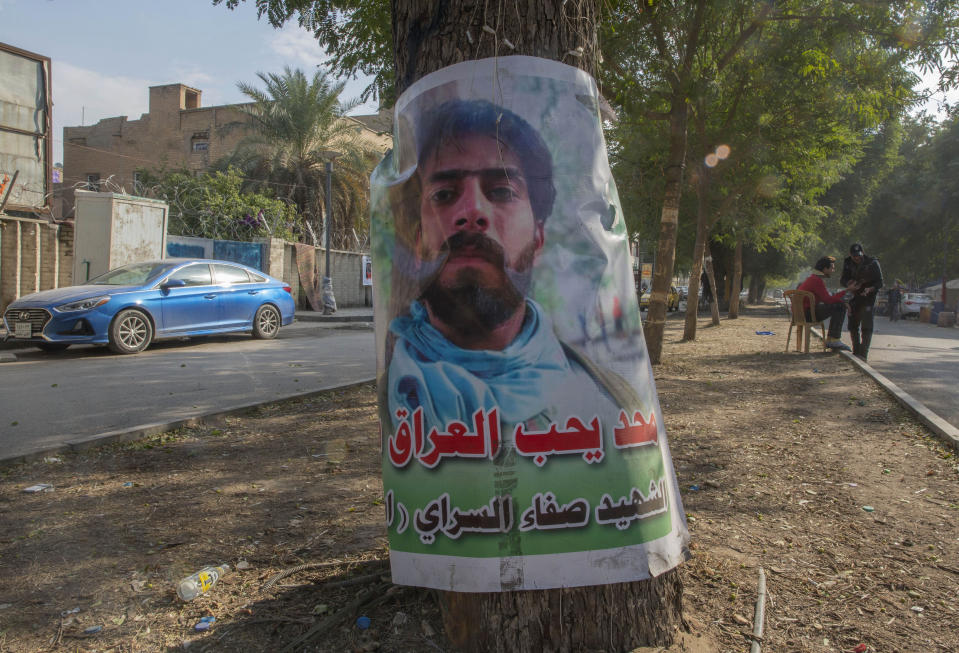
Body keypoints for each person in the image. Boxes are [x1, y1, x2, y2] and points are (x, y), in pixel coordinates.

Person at [386, 99, 645, 435]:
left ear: (538, 239)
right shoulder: (390, 398)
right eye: (444, 195)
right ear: (419, 243)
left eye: (502, 191)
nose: (472, 211)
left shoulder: (609, 401)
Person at [796, 256, 851, 351]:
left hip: (801, 314)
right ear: (825, 269)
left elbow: (826, 299)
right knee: (839, 306)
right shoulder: (816, 280)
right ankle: (834, 339)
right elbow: (828, 300)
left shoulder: (812, 278)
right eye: (832, 268)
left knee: (837, 304)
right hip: (807, 314)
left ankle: (831, 339)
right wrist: (846, 294)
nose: (833, 270)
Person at [840, 243, 883, 360]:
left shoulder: (872, 263)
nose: (857, 259)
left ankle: (863, 354)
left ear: (862, 253)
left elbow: (880, 282)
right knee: (852, 324)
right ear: (850, 255)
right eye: (854, 256)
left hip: (868, 297)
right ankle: (856, 351)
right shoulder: (848, 263)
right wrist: (849, 283)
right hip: (855, 295)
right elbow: (843, 280)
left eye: (858, 256)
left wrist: (870, 289)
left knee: (867, 325)